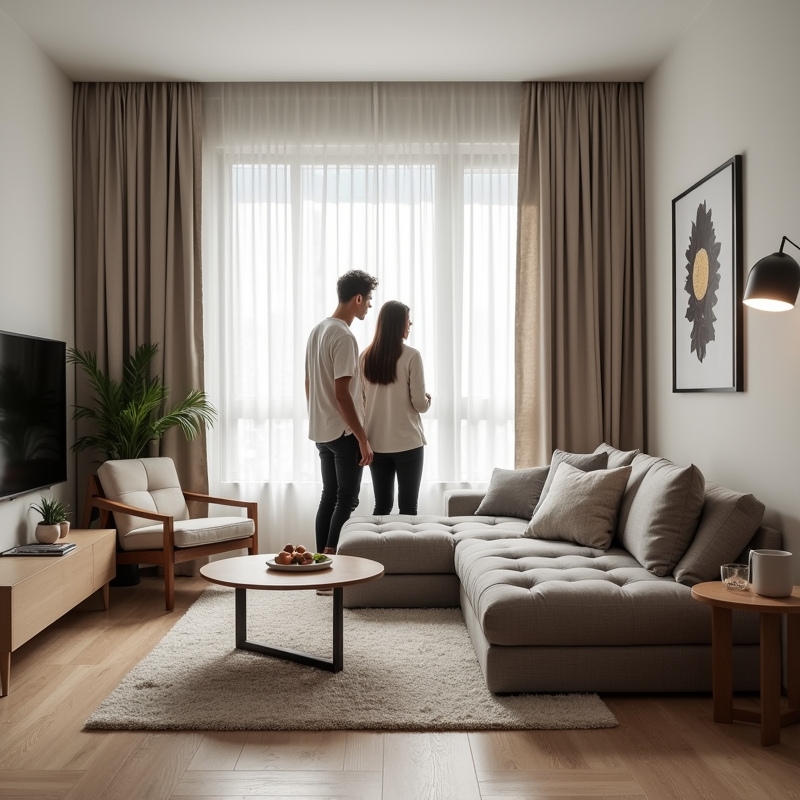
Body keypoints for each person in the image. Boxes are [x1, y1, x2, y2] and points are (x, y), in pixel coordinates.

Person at [305, 270, 378, 555]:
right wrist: (362, 438)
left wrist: (317, 415)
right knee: (347, 498)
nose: (370, 306)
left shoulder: (318, 330)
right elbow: (342, 394)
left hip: (322, 431)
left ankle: (320, 560)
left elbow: (309, 383)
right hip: (343, 431)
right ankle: (331, 561)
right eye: (369, 300)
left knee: (329, 497)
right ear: (357, 298)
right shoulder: (344, 336)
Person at [361, 300, 431, 516]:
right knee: (408, 507)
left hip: (377, 443)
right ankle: (407, 551)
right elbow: (419, 403)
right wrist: (428, 399)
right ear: (399, 324)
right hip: (407, 442)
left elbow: (362, 402)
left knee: (381, 505)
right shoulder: (411, 356)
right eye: (408, 322)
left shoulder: (365, 356)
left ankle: (377, 549)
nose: (409, 326)